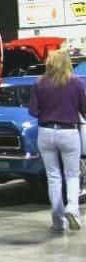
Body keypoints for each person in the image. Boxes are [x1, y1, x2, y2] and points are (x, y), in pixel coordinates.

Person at [28, 49, 86, 233]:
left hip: (45, 132)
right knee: (72, 174)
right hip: (69, 133)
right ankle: (72, 210)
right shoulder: (76, 83)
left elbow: (33, 111)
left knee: (53, 176)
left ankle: (58, 219)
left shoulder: (39, 83)